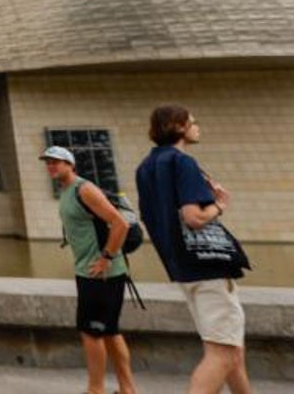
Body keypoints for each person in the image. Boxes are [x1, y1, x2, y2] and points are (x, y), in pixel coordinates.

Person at [136, 105, 251, 394]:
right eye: (193, 122)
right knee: (222, 353)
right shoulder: (182, 162)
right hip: (208, 266)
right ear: (178, 127)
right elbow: (193, 217)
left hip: (182, 268)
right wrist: (219, 205)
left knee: (230, 351)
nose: (198, 127)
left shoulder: (146, 168)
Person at [40, 145, 138, 394]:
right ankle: (128, 389)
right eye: (48, 162)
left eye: (56, 162)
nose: (51, 166)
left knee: (90, 332)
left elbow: (120, 223)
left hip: (101, 274)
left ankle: (96, 390)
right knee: (110, 331)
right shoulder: (66, 191)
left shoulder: (84, 189)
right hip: (91, 272)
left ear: (70, 164)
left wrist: (106, 257)